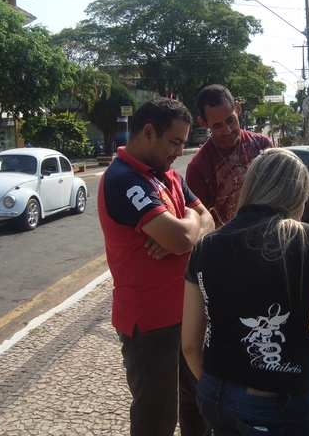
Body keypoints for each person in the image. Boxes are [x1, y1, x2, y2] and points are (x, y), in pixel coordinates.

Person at [182, 148, 309, 435]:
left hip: (215, 394)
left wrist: (216, 386)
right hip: (280, 403)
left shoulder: (205, 246)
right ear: (297, 194)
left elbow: (190, 345)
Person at [97, 97, 214, 436]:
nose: (180, 151)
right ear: (148, 132)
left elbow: (209, 221)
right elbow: (182, 237)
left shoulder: (167, 174)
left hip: (187, 311)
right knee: (156, 418)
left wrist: (186, 227)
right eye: (175, 142)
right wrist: (186, 230)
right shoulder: (123, 179)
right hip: (149, 324)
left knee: (198, 402)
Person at [186, 84, 273, 227]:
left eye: (230, 120)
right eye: (217, 126)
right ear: (203, 123)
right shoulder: (199, 167)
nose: (227, 131)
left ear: (238, 109)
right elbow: (197, 222)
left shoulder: (263, 145)